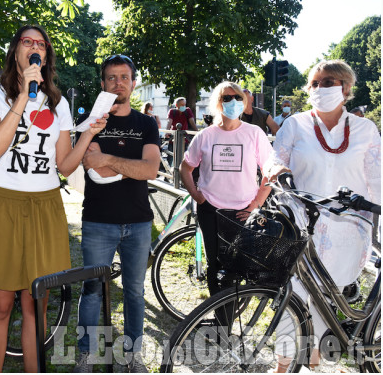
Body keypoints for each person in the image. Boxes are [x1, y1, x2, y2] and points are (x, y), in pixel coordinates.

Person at [0, 25, 108, 373]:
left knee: (37, 305)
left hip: (45, 206)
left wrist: (88, 133)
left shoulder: (57, 104)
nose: (35, 48)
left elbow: (63, 166)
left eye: (41, 45)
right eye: (28, 42)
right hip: (2, 204)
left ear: (46, 56)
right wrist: (22, 98)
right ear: (15, 50)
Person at [265, 60, 381, 372]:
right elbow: (275, 157)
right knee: (296, 297)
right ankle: (284, 365)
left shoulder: (364, 130)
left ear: (345, 88)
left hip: (349, 231)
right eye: (314, 83)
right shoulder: (296, 124)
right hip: (303, 228)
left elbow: (378, 180)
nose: (319, 88)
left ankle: (313, 359)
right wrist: (276, 168)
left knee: (326, 299)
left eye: (327, 82)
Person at [74, 54, 160, 373]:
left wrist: (110, 160)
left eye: (124, 77)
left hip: (138, 222)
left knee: (135, 292)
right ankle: (86, 354)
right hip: (98, 220)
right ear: (103, 83)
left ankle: (132, 355)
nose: (118, 83)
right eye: (112, 77)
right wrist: (131, 167)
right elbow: (94, 170)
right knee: (92, 290)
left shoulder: (146, 123)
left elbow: (151, 168)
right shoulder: (91, 123)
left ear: (133, 84)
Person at [180, 81, 272, 300]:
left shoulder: (254, 133)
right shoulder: (205, 136)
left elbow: (270, 171)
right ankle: (221, 319)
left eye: (237, 97)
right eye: (226, 98)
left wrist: (255, 204)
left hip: (243, 211)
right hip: (211, 209)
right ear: (218, 103)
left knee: (237, 268)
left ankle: (229, 317)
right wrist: (197, 196)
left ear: (245, 101)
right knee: (215, 266)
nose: (233, 102)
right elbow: (185, 168)